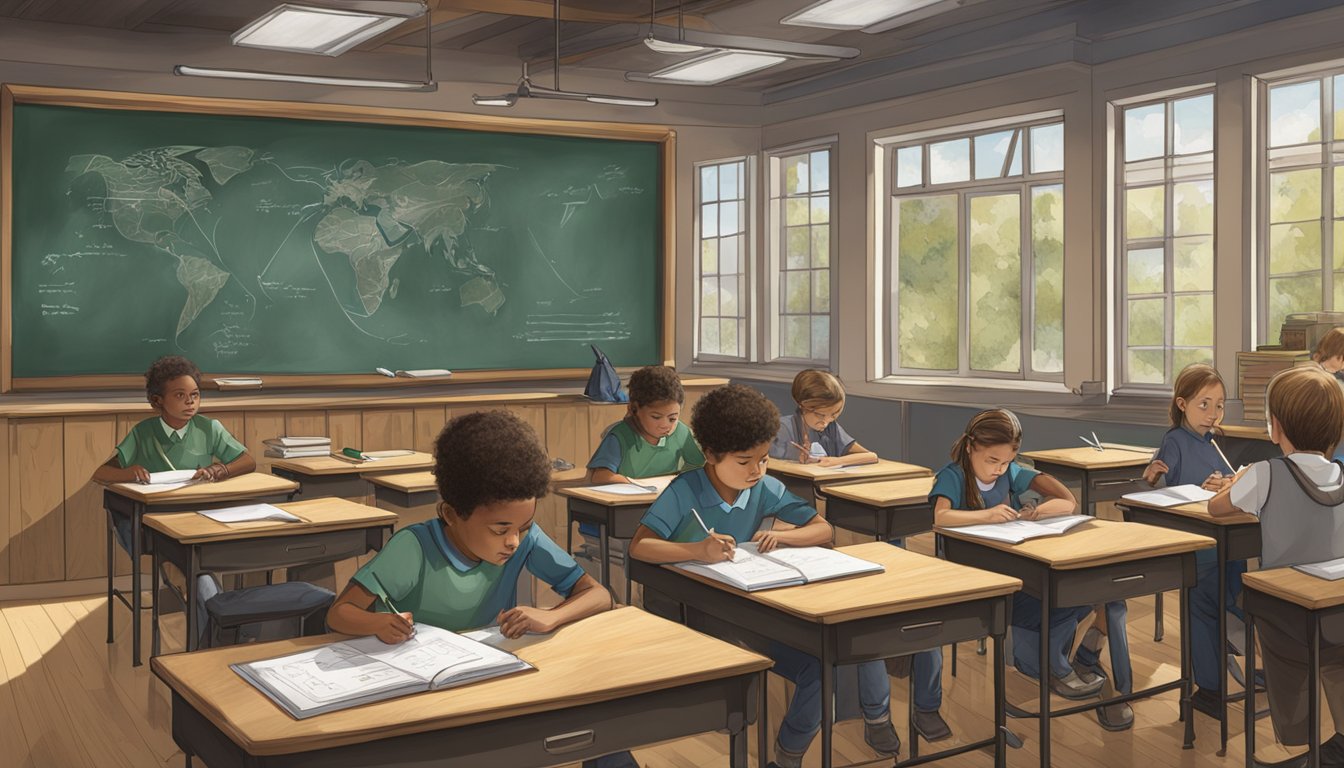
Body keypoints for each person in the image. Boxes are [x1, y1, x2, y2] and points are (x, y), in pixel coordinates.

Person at [630, 384, 902, 768]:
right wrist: (696, 551)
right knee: (821, 658)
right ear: (710, 455)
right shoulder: (685, 490)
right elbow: (640, 547)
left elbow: (822, 529)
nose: (756, 470)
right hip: (703, 610)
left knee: (840, 650)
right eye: (744, 462)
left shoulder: (765, 487)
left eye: (763, 459)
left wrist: (786, 535)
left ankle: (790, 754)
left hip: (758, 600)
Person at [1211, 365, 1344, 768]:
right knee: (1337, 662)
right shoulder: (1340, 473)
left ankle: (1301, 744)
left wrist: (1240, 480)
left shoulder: (1268, 473)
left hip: (1285, 609)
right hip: (1335, 603)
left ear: (1275, 427)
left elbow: (1216, 509)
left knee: (1285, 660)